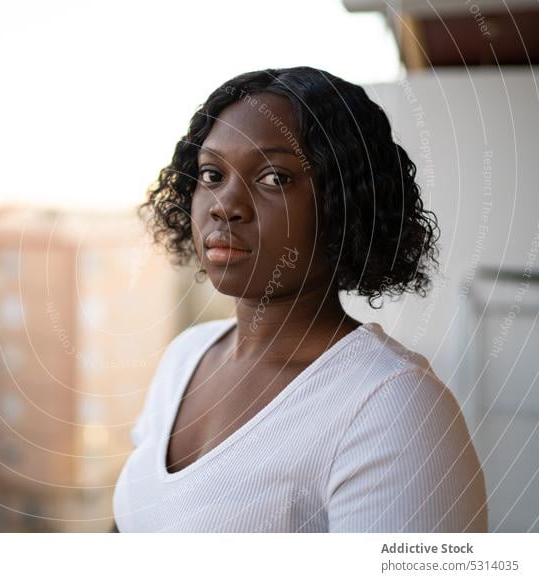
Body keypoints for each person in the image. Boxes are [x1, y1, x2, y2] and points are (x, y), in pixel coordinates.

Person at [112, 66, 488, 533]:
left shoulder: (393, 407)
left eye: (274, 178)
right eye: (211, 173)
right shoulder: (185, 357)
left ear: (344, 205)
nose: (224, 204)